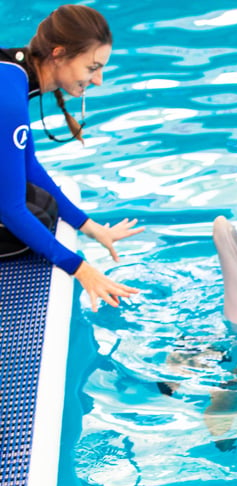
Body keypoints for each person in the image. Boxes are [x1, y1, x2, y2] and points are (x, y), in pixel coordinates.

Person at [0, 4, 141, 311]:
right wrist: (80, 268)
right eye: (93, 68)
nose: (100, 80)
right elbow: (9, 208)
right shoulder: (8, 98)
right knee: (24, 228)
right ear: (59, 53)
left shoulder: (11, 73)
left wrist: (89, 226)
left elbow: (29, 168)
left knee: (42, 205)